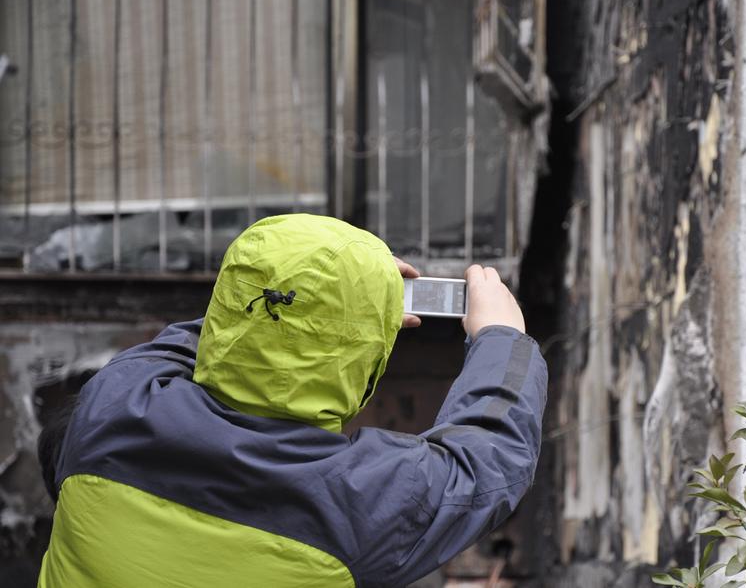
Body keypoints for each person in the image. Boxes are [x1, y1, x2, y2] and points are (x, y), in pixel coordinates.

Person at [36, 214, 547, 587]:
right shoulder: (361, 499)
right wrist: (502, 337)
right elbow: (487, 459)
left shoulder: (110, 405)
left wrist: (306, 292)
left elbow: (206, 335)